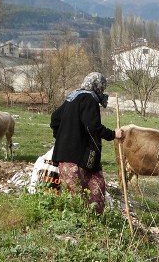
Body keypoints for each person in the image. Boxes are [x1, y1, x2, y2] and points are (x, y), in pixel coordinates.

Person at [50, 72, 123, 214]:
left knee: (75, 198)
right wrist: (113, 134)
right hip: (80, 159)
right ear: (98, 86)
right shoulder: (89, 99)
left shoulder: (72, 97)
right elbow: (93, 127)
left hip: (66, 158)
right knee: (93, 195)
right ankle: (89, 227)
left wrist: (62, 139)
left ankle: (86, 227)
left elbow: (54, 119)